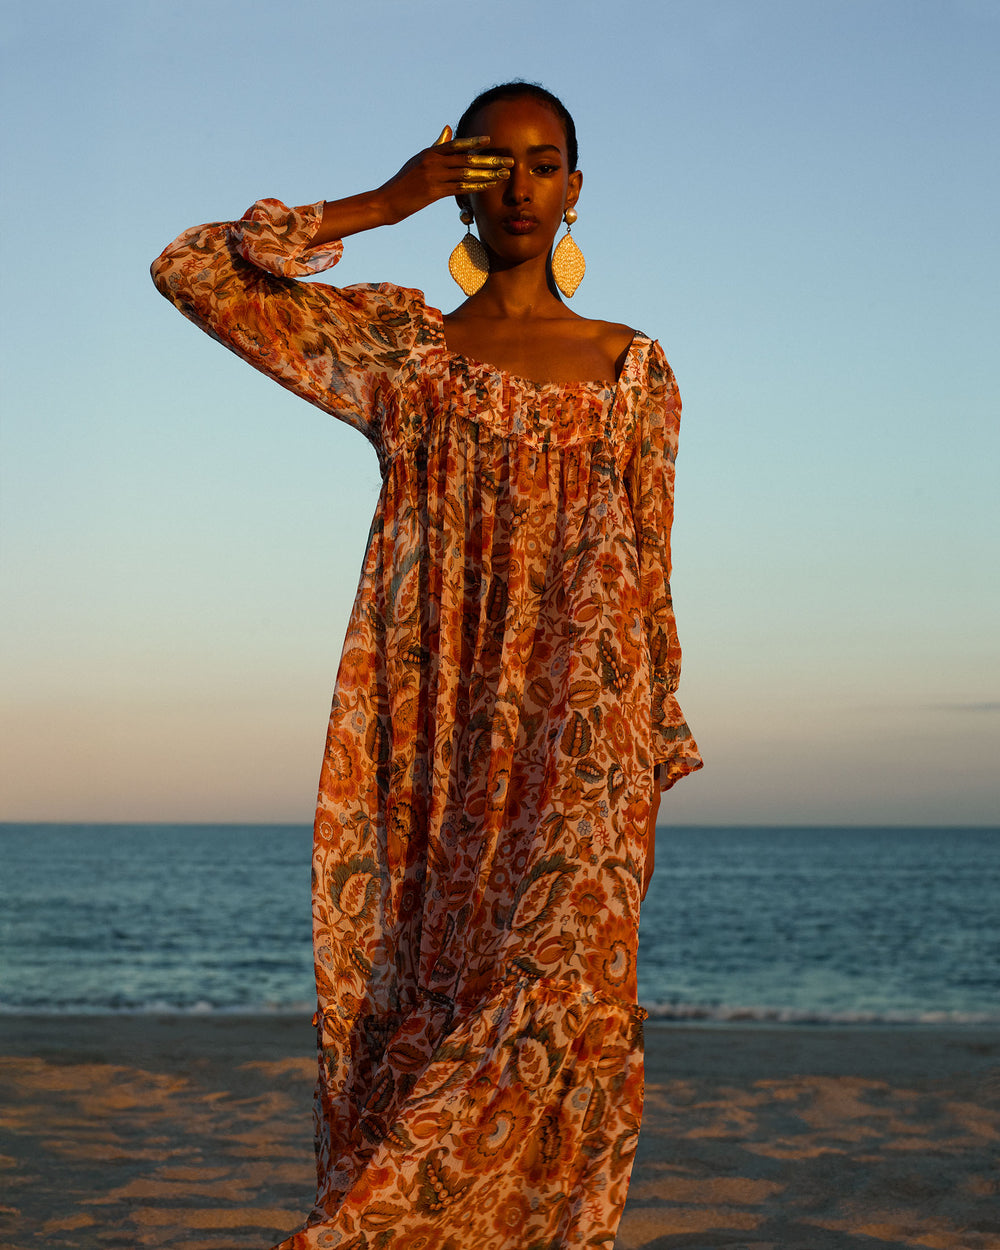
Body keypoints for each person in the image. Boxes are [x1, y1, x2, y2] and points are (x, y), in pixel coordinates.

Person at [152, 81, 702, 1250]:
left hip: (583, 737)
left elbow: (649, 573)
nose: (519, 186)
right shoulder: (402, 350)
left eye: (543, 163)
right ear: (459, 174)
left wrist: (648, 743)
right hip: (432, 720)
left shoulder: (635, 371)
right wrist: (384, 200)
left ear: (575, 191)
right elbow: (191, 269)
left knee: (557, 992)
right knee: (429, 993)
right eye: (489, 162)